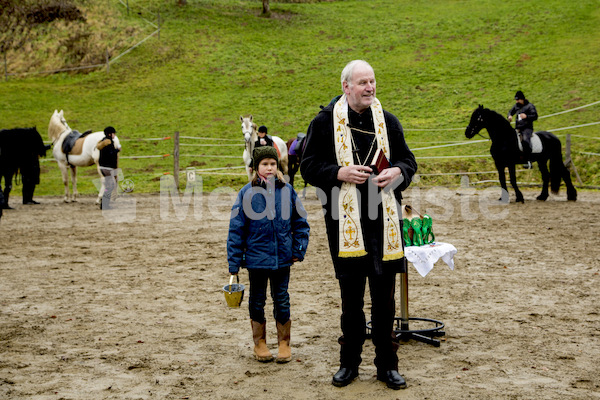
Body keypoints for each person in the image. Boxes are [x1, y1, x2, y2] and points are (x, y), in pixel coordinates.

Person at [300, 60, 417, 390]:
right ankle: (349, 363)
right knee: (351, 300)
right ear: (346, 87)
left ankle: (387, 366)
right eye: (363, 82)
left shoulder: (389, 121)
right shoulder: (323, 124)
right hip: (345, 224)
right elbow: (308, 166)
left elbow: (409, 161)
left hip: (386, 223)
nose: (370, 87)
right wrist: (338, 173)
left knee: (385, 300)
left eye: (373, 81)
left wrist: (399, 172)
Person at [227, 146, 310, 364]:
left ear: (277, 165)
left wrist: (298, 249)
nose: (269, 167)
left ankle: (284, 343)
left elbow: (301, 223)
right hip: (255, 259)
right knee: (257, 300)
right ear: (256, 168)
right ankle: (260, 343)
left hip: (282, 257)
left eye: (272, 164)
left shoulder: (288, 191)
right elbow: (236, 229)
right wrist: (234, 263)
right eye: (264, 164)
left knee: (282, 299)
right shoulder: (246, 193)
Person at [507, 90, 538, 168]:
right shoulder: (516, 105)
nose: (517, 101)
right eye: (516, 100)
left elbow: (535, 116)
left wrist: (527, 116)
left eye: (518, 99)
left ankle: (529, 161)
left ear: (522, 99)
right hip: (518, 128)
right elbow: (510, 111)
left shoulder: (530, 106)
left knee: (525, 140)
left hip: (527, 128)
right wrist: (509, 116)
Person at [97, 126, 120, 210]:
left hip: (102, 167)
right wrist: (117, 150)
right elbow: (111, 154)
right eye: (113, 133)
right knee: (110, 186)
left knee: (108, 185)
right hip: (107, 168)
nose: (114, 135)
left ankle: (104, 203)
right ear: (110, 134)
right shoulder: (109, 143)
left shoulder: (103, 141)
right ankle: (104, 204)